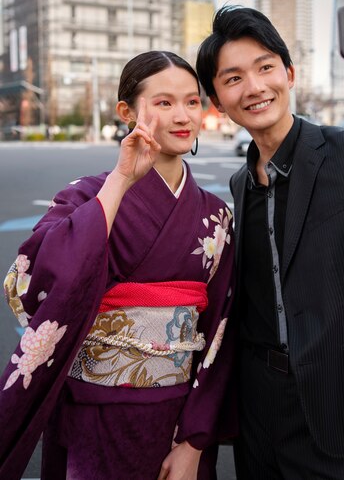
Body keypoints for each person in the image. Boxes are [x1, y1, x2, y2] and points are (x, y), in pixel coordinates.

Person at [196, 6, 344, 479]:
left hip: (335, 400)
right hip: (257, 407)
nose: (254, 87)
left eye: (265, 67)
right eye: (233, 78)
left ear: (289, 74)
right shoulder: (240, 183)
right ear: (217, 100)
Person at [0, 51, 236, 480]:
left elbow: (220, 331)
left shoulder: (215, 215)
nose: (183, 115)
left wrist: (195, 441)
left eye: (192, 101)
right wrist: (120, 181)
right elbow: (34, 283)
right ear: (127, 112)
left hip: (177, 418)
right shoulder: (86, 197)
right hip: (91, 412)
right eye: (164, 103)